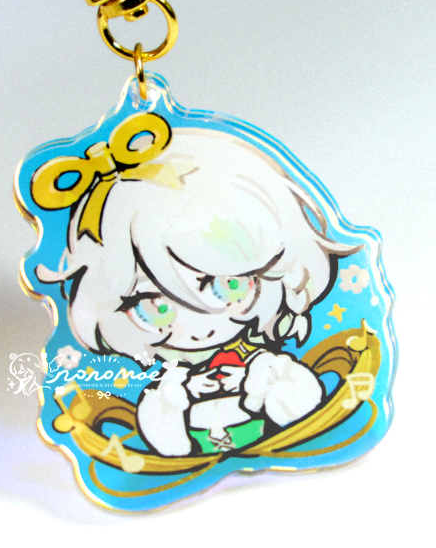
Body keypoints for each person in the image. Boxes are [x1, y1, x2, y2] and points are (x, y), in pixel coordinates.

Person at [33, 114, 357, 456]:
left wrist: (271, 385)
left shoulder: (269, 366)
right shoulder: (169, 388)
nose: (200, 326)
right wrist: (170, 407)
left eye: (227, 284)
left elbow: (307, 416)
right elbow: (166, 447)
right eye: (155, 307)